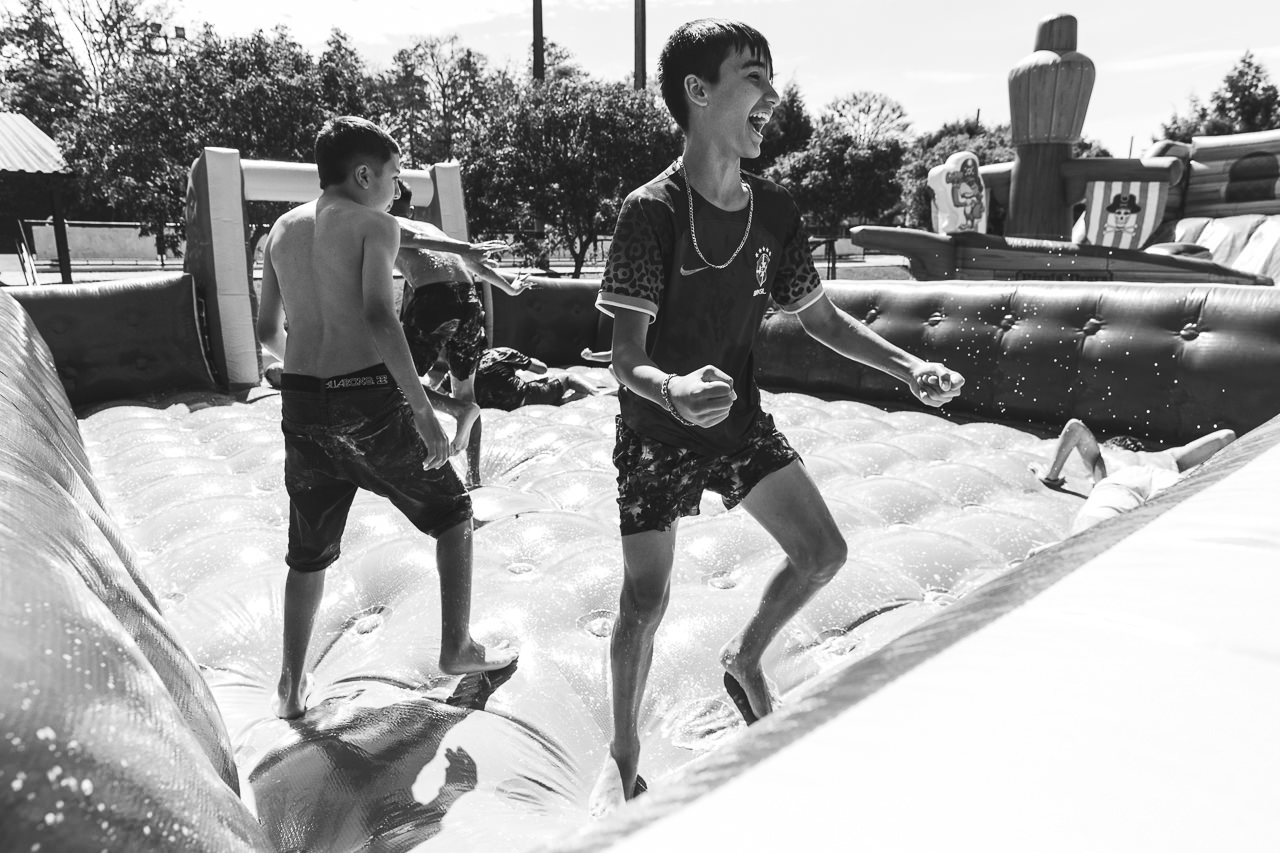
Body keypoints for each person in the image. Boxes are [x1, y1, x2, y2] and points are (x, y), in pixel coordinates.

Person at [589, 19, 965, 813]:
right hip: (658, 431)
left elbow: (821, 318)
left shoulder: (776, 210)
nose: (772, 93)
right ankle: (623, 755)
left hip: (737, 422)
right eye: (753, 76)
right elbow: (624, 357)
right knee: (645, 601)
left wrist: (909, 368)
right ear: (698, 92)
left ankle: (745, 657)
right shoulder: (649, 212)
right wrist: (672, 390)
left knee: (823, 551)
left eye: (770, 76)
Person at [255, 116, 516, 720]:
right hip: (367, 400)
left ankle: (290, 684)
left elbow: (268, 331)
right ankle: (458, 646)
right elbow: (379, 315)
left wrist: (308, 366)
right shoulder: (374, 225)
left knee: (307, 552)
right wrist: (422, 410)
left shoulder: (281, 230)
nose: (398, 190)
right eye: (395, 177)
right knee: (453, 514)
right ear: (365, 175)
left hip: (302, 402)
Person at [390, 179, 530, 488]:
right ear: (411, 210)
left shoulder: (385, 222)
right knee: (467, 391)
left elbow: (410, 238)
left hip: (436, 299)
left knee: (394, 381)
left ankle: (455, 413)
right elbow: (473, 265)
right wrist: (510, 287)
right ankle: (473, 477)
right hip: (469, 300)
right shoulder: (433, 230)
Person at [1031, 418, 1236, 534]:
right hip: (1167, 480)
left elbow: (1075, 426)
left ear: (1113, 446)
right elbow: (1226, 436)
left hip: (1120, 486)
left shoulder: (1105, 455)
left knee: (1087, 540)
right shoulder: (1167, 456)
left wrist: (1050, 475)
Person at [463, 346, 604, 411]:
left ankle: (561, 402)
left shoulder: (462, 367)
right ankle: (596, 393)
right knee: (567, 377)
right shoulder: (501, 353)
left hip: (492, 407)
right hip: (523, 399)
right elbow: (542, 369)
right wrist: (524, 360)